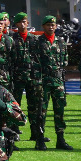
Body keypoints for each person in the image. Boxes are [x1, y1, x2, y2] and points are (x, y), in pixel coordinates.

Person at [25, 16, 71, 150]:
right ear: (43, 26)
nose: (51, 27)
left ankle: (60, 139)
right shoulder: (37, 42)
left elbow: (65, 60)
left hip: (57, 81)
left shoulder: (60, 41)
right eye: (48, 25)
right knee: (41, 111)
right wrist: (37, 80)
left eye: (53, 25)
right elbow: (33, 62)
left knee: (59, 111)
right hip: (43, 81)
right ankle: (39, 139)